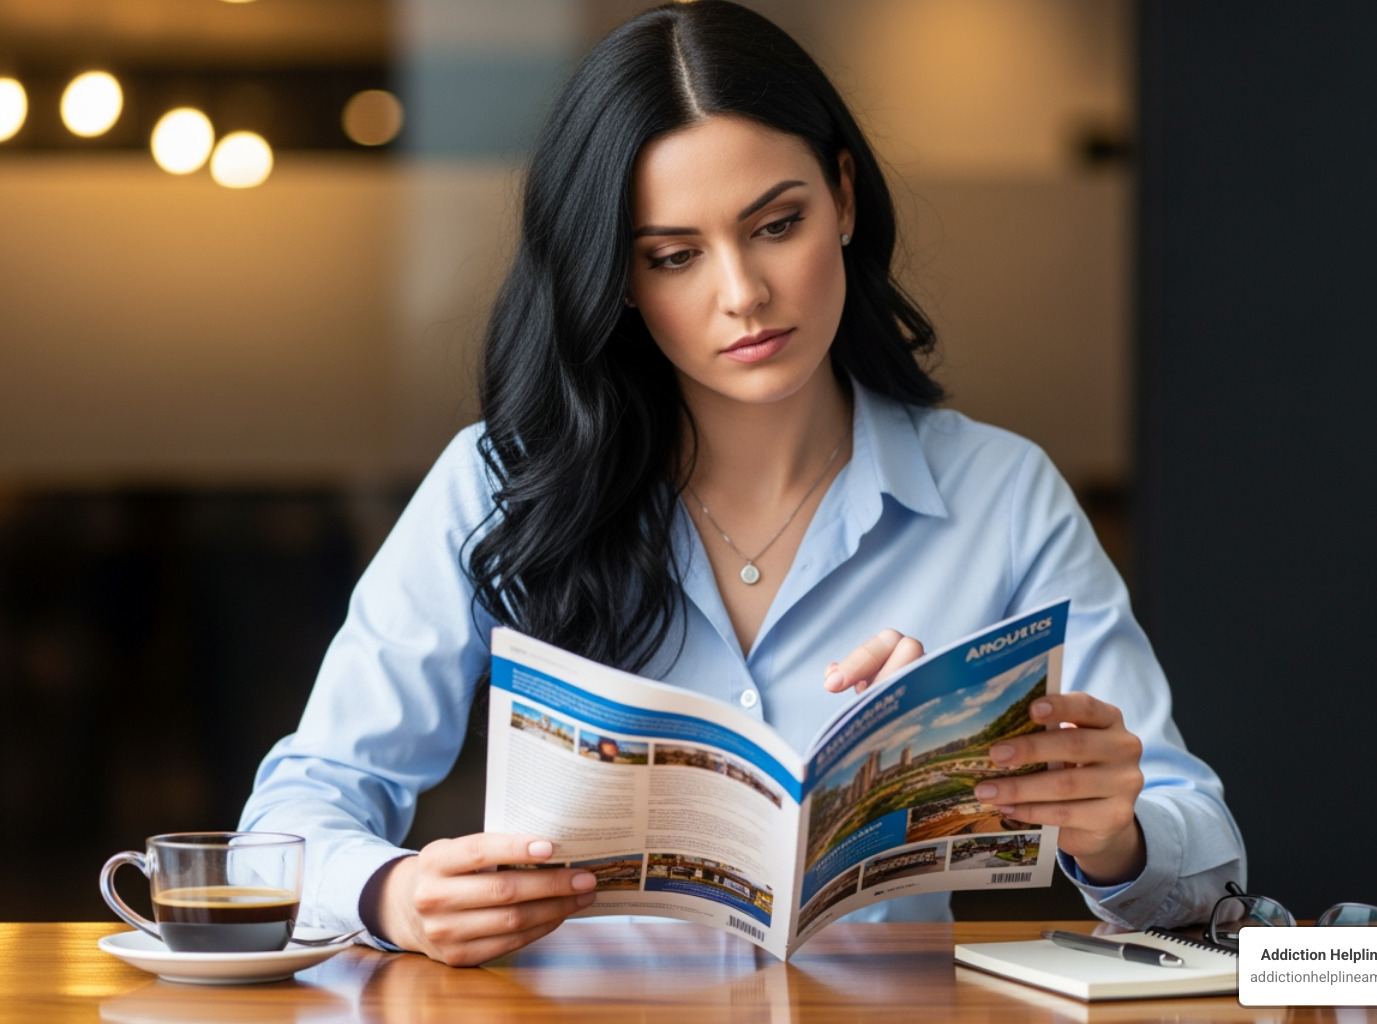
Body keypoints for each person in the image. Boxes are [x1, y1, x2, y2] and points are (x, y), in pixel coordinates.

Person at [240, 0, 1244, 967]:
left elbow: (1206, 867)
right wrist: (395, 895)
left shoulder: (1002, 495)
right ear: (619, 279)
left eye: (775, 225)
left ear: (843, 197)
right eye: (675, 256)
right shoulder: (499, 484)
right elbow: (291, 817)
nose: (743, 294)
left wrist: (1113, 832)